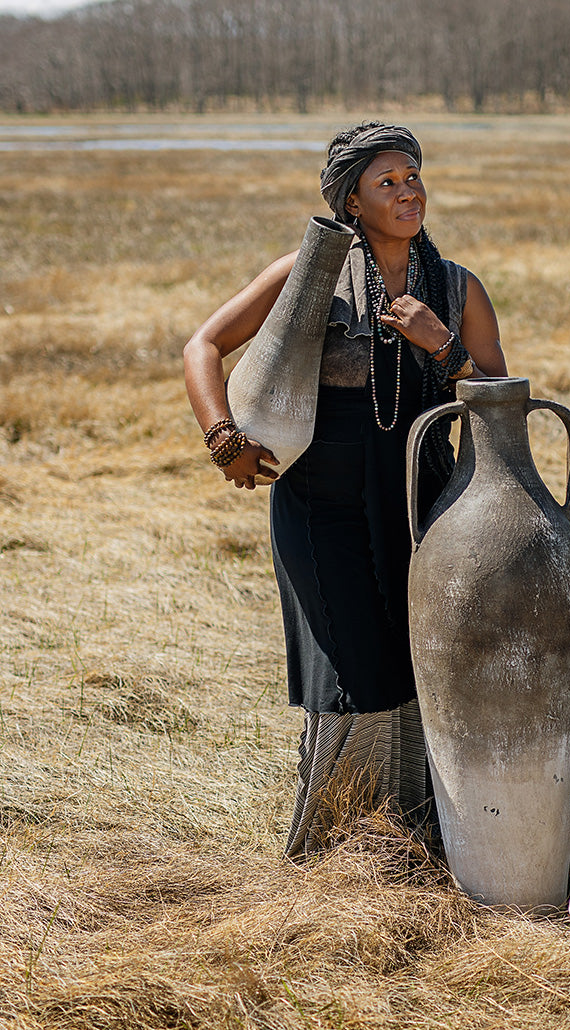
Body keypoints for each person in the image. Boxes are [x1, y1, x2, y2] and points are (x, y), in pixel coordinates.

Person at [183, 122, 507, 860]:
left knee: (419, 661)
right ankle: (335, 843)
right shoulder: (309, 272)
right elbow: (203, 345)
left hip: (427, 506)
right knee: (353, 664)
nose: (407, 191)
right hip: (319, 503)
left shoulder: (456, 288)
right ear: (352, 199)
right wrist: (224, 438)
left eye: (414, 176)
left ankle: (417, 838)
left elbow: (504, 396)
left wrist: (442, 345)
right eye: (387, 182)